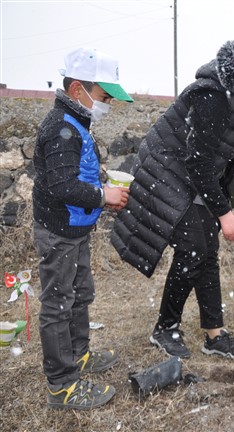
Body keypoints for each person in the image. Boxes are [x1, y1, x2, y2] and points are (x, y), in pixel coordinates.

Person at [111, 41, 234, 359]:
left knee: (206, 252)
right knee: (193, 249)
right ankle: (165, 328)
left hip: (198, 177)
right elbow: (197, 161)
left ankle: (215, 335)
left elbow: (232, 158)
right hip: (168, 171)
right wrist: (224, 215)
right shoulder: (214, 95)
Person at [33, 48, 133, 409]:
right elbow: (62, 186)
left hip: (76, 229)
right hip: (59, 232)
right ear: (78, 89)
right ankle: (61, 385)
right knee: (58, 304)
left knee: (80, 293)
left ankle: (78, 354)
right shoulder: (61, 129)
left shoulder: (76, 124)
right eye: (104, 97)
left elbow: (78, 173)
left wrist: (104, 182)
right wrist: (103, 195)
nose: (106, 105)